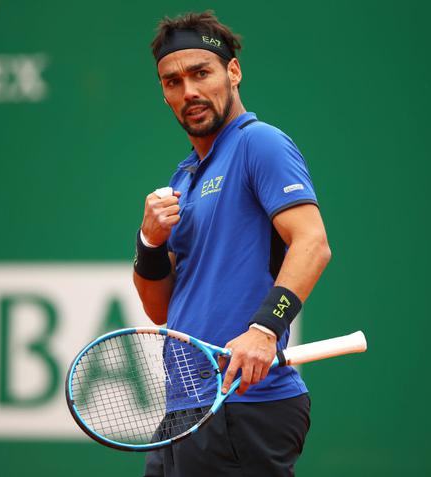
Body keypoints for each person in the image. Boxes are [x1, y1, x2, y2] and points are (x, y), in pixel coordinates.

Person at [133, 11, 331, 477]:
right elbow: (161, 308)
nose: (189, 92)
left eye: (201, 73)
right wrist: (149, 243)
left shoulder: (260, 143)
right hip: (184, 411)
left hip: (246, 404)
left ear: (233, 71)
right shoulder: (182, 178)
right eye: (173, 81)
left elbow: (312, 244)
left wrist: (264, 330)